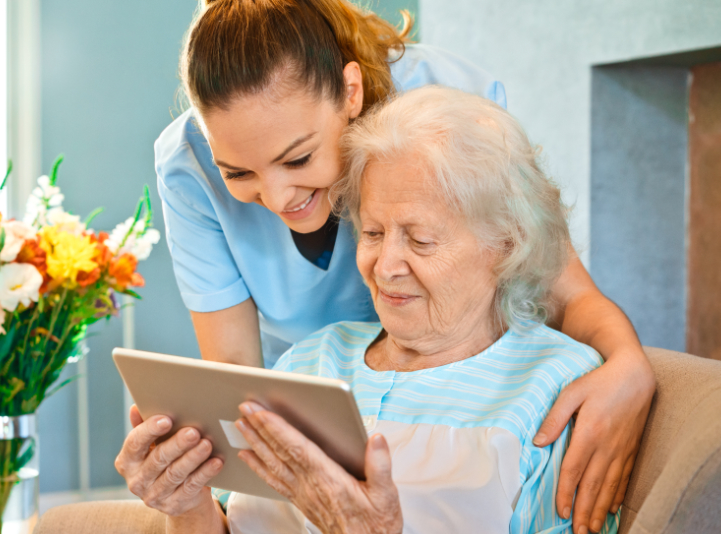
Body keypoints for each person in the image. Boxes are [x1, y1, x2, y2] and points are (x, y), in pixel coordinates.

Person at [145, 1, 654, 531]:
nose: (275, 198)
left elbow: (559, 281)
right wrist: (189, 494)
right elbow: (235, 385)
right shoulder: (304, 365)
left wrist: (627, 364)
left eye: (298, 159)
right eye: (238, 173)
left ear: (352, 94)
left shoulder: (441, 100)